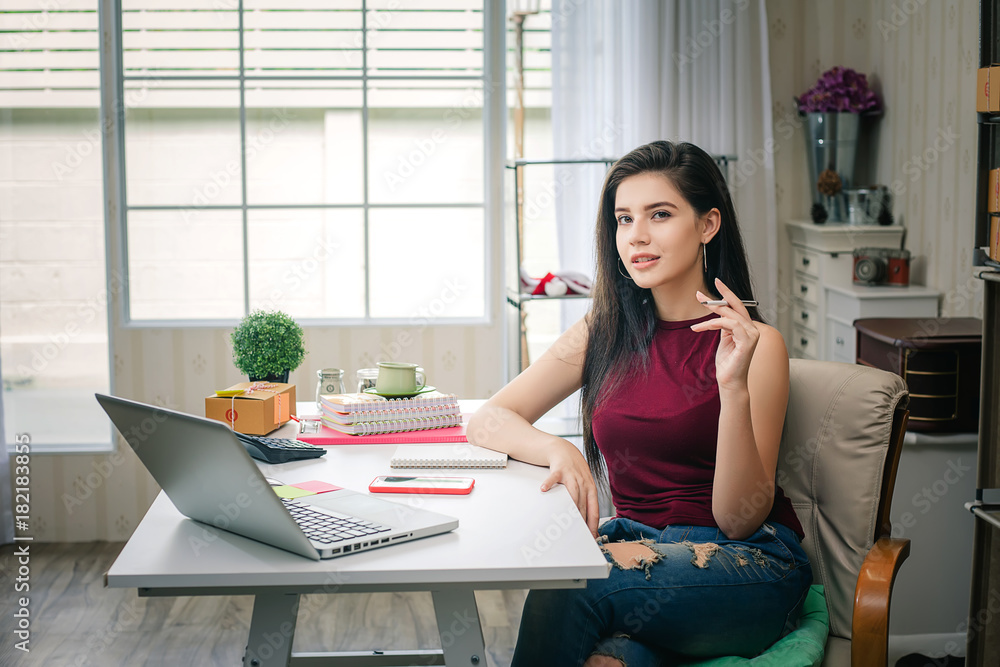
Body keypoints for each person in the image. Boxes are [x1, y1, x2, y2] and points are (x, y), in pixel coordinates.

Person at [467, 140, 812, 666]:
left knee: (573, 586)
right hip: (640, 556)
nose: (637, 237)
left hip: (746, 566)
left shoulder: (757, 345)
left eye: (661, 215)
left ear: (707, 225)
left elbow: (738, 519)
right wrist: (558, 450)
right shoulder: (601, 332)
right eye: (624, 219)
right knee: (610, 661)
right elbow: (489, 419)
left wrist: (733, 385)